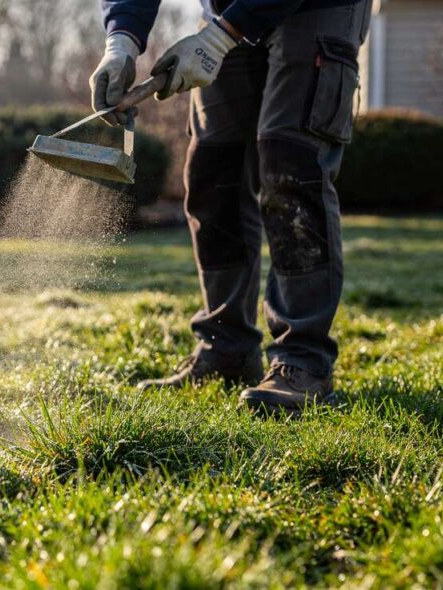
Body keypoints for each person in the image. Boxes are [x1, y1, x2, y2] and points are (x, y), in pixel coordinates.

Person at [91, 0, 373, 413]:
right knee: (213, 169)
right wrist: (121, 40)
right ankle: (226, 349)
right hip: (226, 10)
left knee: (290, 164)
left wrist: (223, 34)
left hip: (315, 9)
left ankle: (303, 362)